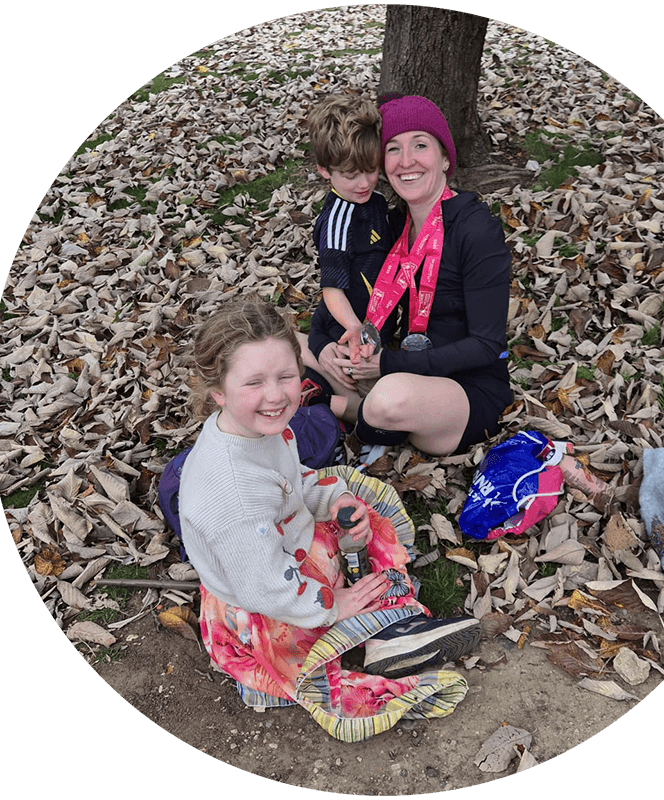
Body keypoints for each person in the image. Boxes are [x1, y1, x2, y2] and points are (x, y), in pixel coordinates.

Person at [178, 294, 478, 741]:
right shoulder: (233, 493)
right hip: (268, 603)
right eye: (254, 382)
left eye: (286, 376)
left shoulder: (251, 428)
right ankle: (381, 629)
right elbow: (264, 586)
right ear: (218, 392)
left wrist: (334, 502)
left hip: (276, 548)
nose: (276, 395)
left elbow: (289, 483)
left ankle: (383, 625)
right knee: (348, 575)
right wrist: (332, 605)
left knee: (357, 505)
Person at [309, 95, 513, 458]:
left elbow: (487, 345)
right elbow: (341, 291)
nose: (406, 161)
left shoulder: (477, 230)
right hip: (404, 371)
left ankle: (332, 408)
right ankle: (339, 404)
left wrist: (386, 364)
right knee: (284, 344)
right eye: (393, 149)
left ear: (445, 157)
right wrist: (322, 345)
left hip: (463, 391)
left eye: (420, 145)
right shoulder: (392, 223)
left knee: (388, 399)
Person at [300, 95, 397, 419]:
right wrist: (354, 326)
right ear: (324, 170)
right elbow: (332, 288)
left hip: (375, 325)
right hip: (345, 330)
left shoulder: (375, 200)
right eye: (351, 174)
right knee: (374, 403)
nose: (364, 182)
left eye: (371, 169)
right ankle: (321, 400)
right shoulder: (339, 220)